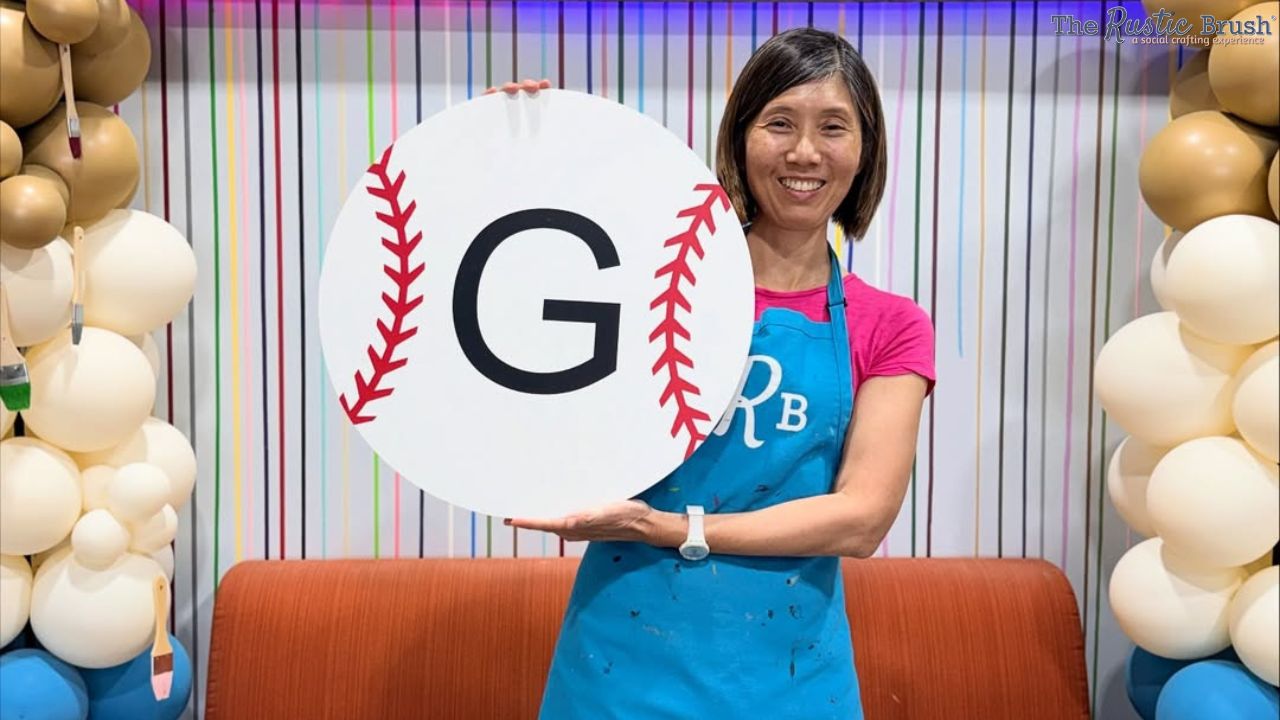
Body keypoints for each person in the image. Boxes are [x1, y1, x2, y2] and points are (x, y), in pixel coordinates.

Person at [501, 27, 935, 719]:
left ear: (864, 152)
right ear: (739, 139)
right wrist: (519, 150)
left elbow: (860, 519)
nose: (804, 152)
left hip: (791, 678)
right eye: (779, 123)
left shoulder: (891, 325)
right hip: (619, 668)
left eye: (833, 127)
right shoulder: (641, 288)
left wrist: (672, 528)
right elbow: (518, 303)